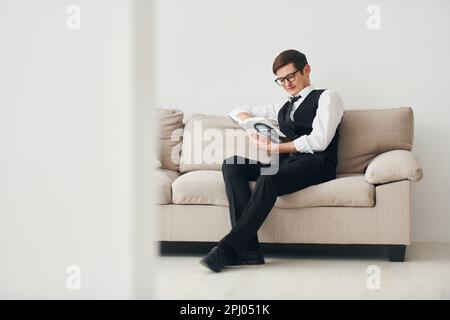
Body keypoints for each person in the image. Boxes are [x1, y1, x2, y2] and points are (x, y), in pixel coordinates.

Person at [199, 49, 345, 272]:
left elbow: (320, 141)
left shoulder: (328, 97)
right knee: (232, 164)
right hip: (288, 164)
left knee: (269, 177)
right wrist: (252, 126)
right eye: (281, 80)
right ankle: (249, 250)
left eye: (290, 77)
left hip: (318, 164)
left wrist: (277, 147)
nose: (286, 84)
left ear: (306, 70)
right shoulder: (282, 107)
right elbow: (237, 111)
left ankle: (228, 249)